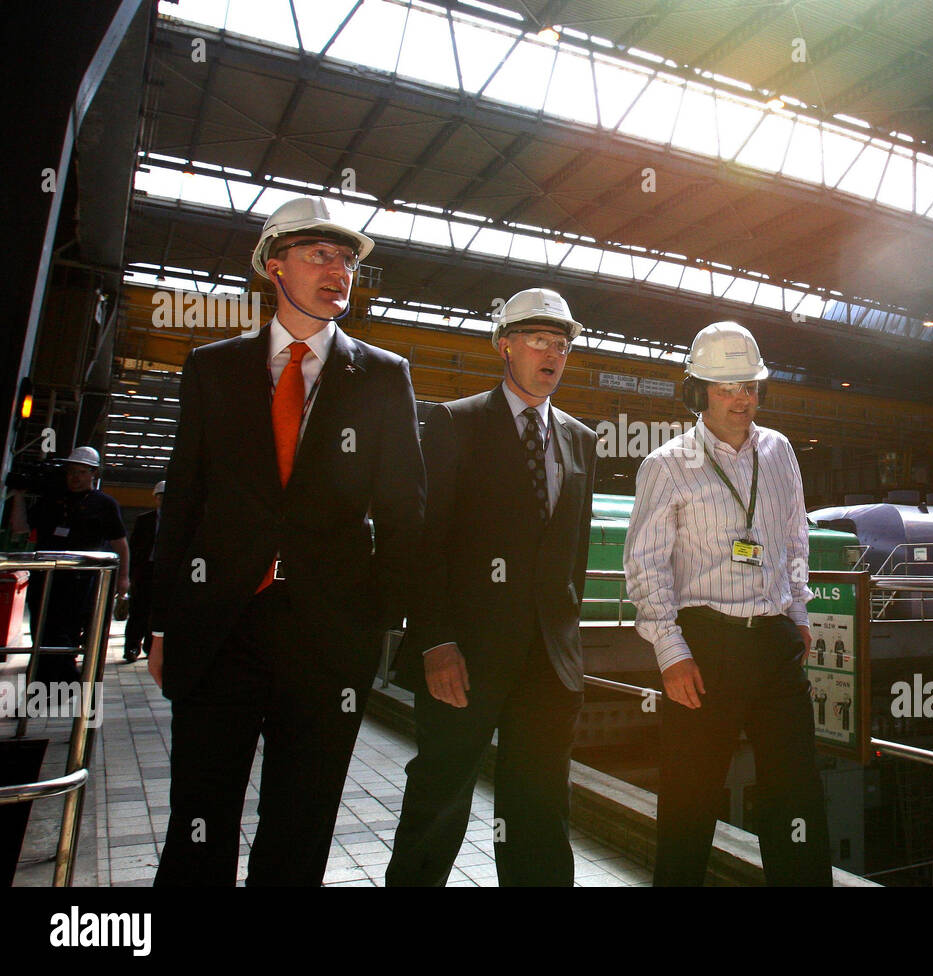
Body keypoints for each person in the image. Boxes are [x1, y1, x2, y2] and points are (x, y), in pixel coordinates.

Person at [148, 196, 425, 886]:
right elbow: (182, 499)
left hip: (328, 640)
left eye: (348, 261)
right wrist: (160, 621)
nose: (339, 272)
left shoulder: (384, 377)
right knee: (199, 818)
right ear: (275, 266)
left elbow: (403, 509)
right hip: (220, 628)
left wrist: (378, 624)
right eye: (319, 255)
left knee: (301, 824)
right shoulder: (214, 369)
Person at [387, 287, 597, 887]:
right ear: (505, 346)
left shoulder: (579, 439)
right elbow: (425, 543)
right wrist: (434, 641)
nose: (552, 353)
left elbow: (572, 556)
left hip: (548, 663)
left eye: (561, 344)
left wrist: (568, 644)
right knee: (441, 794)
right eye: (538, 340)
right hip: (466, 656)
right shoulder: (457, 423)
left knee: (539, 807)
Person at [624, 320, 832, 886]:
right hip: (704, 646)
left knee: (797, 792)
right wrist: (671, 653)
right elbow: (645, 566)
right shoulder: (665, 466)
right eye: (725, 387)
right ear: (699, 391)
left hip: (774, 641)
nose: (741, 400)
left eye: (749, 386)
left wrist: (798, 615)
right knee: (690, 795)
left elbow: (794, 537)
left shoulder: (779, 451)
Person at [20, 446, 129, 683]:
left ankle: (52, 684)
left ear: (93, 474)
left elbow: (120, 544)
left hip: (79, 582)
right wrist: (18, 495)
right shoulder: (52, 500)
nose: (75, 477)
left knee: (65, 632)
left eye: (81, 472)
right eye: (71, 471)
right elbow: (21, 527)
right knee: (43, 630)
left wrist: (123, 579)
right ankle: (60, 681)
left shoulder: (104, 504)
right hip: (45, 576)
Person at [123, 480, 164, 663]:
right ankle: (132, 646)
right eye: (161, 497)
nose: (164, 500)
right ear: (156, 498)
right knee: (138, 610)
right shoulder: (144, 520)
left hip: (163, 572)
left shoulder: (178, 523)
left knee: (155, 610)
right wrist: (130, 574)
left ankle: (149, 647)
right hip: (144, 570)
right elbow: (133, 547)